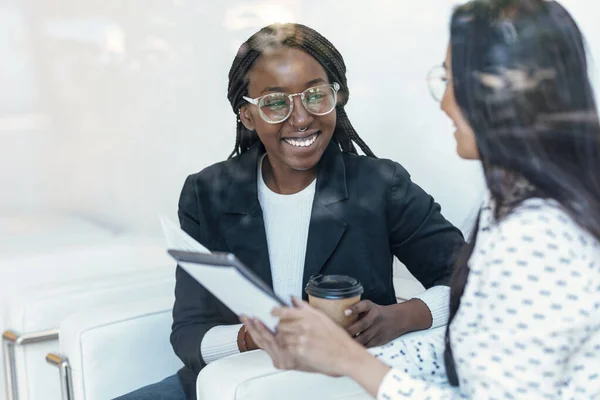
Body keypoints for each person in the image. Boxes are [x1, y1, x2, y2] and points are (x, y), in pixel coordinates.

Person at [244, 1, 600, 398]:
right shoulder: (512, 209)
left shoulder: (536, 235)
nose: (443, 102)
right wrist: (332, 354)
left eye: (450, 80)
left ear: (502, 90)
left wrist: (352, 360)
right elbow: (465, 358)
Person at [116, 23, 465, 400]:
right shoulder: (208, 193)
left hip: (334, 386)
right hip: (228, 386)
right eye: (276, 102)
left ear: (337, 98)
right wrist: (252, 338)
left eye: (315, 95)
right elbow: (189, 335)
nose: (300, 118)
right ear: (247, 116)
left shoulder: (381, 185)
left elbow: (470, 280)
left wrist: (397, 318)